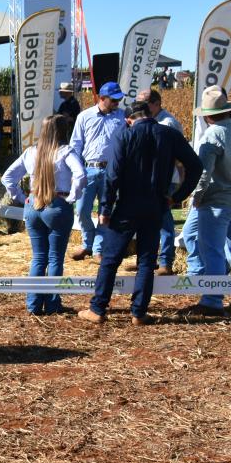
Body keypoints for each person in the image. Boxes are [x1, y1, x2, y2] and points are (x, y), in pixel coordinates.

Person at [78, 100, 202, 325]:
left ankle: (97, 309)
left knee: (110, 259)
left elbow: (113, 175)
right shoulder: (169, 134)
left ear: (128, 120)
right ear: (149, 114)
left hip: (127, 205)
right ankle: (138, 313)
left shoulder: (124, 135)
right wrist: (177, 196)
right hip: (156, 205)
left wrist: (105, 207)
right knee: (147, 261)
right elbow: (196, 166)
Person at [181, 86, 231, 316]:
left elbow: (204, 173)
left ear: (207, 116)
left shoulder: (212, 135)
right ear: (227, 109)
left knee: (213, 250)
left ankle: (212, 300)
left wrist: (196, 197)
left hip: (216, 202)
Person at [1, 114, 86, 315]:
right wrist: (72, 197)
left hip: (33, 204)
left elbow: (7, 177)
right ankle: (52, 305)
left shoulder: (31, 152)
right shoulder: (66, 152)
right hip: (57, 204)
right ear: (64, 131)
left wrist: (21, 197)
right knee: (55, 258)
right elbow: (81, 175)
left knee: (38, 257)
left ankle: (33, 305)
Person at [69, 82, 127, 261]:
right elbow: (75, 145)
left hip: (111, 171)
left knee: (105, 211)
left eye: (119, 99)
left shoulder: (123, 117)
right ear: (102, 98)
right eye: (114, 99)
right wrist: (76, 171)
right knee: (82, 211)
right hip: (88, 169)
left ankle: (97, 249)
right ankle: (87, 243)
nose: (118, 102)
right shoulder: (84, 116)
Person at [135, 88, 185, 275]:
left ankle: (165, 262)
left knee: (164, 221)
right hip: (151, 177)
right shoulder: (148, 120)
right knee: (148, 220)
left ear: (156, 104)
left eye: (144, 103)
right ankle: (146, 260)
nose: (140, 106)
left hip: (165, 179)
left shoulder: (168, 123)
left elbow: (177, 155)